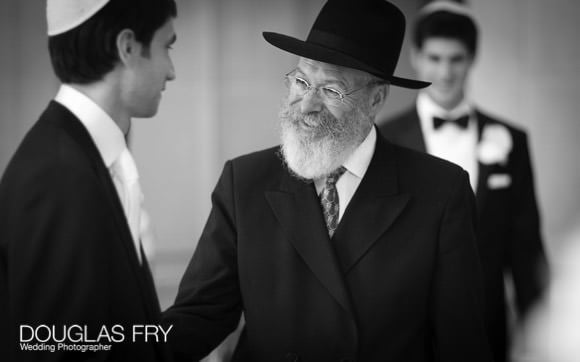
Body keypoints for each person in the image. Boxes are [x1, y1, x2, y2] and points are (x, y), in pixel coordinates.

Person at [163, 1, 492, 361]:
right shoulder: (244, 182)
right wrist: (114, 348)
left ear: (376, 99)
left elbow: (462, 341)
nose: (307, 105)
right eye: (302, 81)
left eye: (331, 91)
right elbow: (199, 314)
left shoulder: (441, 192)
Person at [0, 0, 177, 360]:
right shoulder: (57, 176)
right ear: (127, 47)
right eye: (166, 46)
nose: (171, 71)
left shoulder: (83, 156)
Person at [378, 2, 548, 362]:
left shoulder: (512, 141)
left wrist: (536, 328)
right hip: (404, 325)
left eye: (456, 59)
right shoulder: (385, 138)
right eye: (435, 58)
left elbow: (525, 242)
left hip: (487, 321)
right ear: (416, 57)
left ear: (472, 58)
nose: (445, 72)